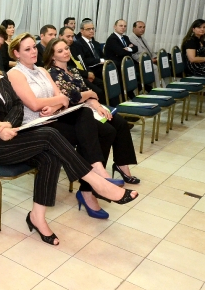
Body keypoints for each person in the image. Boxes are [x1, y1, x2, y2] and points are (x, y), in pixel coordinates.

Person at [0, 34, 138, 245]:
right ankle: (98, 183)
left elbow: (17, 107)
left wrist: (7, 124)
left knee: (50, 157)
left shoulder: (0, 78)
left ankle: (37, 216)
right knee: (50, 134)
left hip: (12, 135)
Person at [43, 37, 140, 185]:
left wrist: (98, 106)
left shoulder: (73, 70)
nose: (66, 52)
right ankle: (95, 173)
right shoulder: (53, 73)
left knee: (120, 123)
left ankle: (122, 165)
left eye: (66, 49)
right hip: (72, 113)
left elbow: (87, 94)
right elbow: (73, 98)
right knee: (108, 131)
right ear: (52, 56)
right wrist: (89, 94)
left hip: (86, 107)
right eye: (60, 51)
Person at [59, 27, 105, 100]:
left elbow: (83, 62)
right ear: (60, 36)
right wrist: (86, 74)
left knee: (102, 84)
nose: (71, 39)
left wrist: (89, 72)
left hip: (83, 72)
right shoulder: (60, 51)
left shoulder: (75, 47)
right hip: (74, 76)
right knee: (98, 91)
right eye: (68, 36)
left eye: (72, 36)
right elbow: (70, 68)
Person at [129, 21, 157, 91]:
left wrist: (155, 57)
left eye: (144, 27)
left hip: (148, 60)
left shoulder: (142, 38)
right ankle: (158, 88)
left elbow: (149, 51)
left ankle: (161, 87)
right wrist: (150, 60)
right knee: (155, 68)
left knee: (162, 64)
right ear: (134, 28)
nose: (142, 29)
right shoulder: (131, 38)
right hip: (139, 63)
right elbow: (134, 55)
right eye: (140, 27)